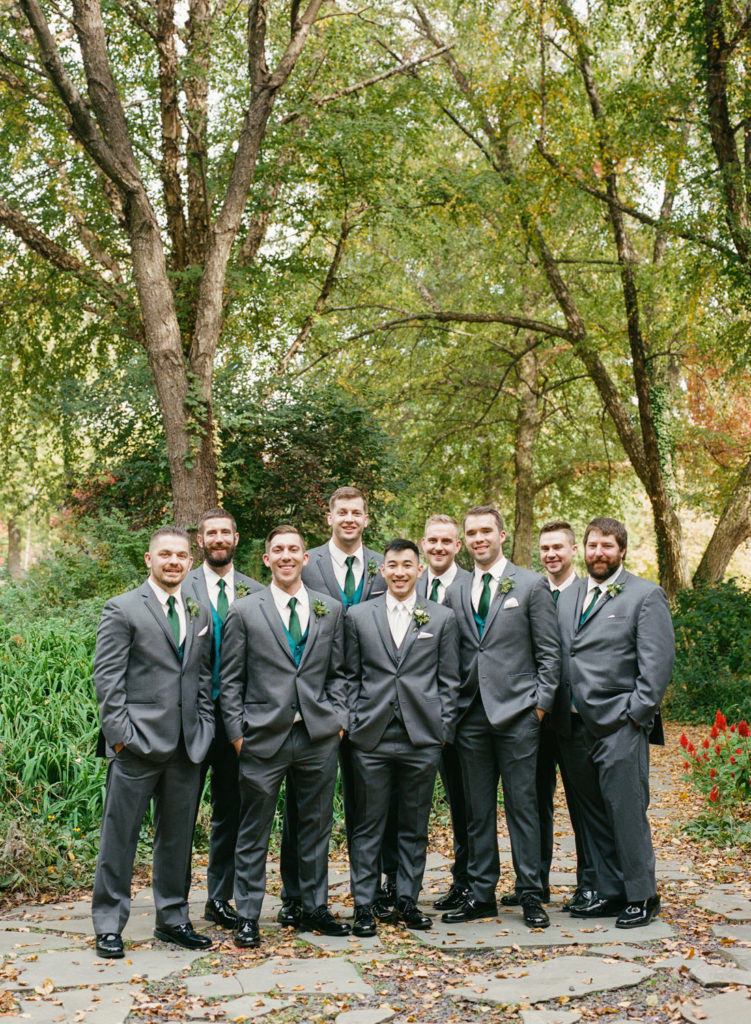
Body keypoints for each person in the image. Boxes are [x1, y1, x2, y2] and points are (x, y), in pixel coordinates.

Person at [220, 525, 350, 948]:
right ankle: (249, 915)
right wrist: (238, 735)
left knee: (315, 827)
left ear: (305, 558)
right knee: (253, 829)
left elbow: (342, 673)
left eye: (294, 549)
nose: (287, 556)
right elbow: (231, 679)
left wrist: (338, 719)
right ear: (266, 558)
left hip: (317, 736)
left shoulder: (330, 608)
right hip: (262, 737)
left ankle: (314, 907)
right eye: (278, 550)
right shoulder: (244, 611)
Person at [91, 527, 215, 959]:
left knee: (177, 840)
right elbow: (107, 682)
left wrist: (204, 726)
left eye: (181, 555)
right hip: (136, 747)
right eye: (165, 555)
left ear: (189, 561)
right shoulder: (123, 608)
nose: (174, 562)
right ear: (149, 559)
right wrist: (122, 739)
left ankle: (174, 919)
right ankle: (108, 924)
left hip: (186, 747)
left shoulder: (199, 612)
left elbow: (201, 676)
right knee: (119, 838)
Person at [278, 486, 395, 927]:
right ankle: (298, 895)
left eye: (357, 512)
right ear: (328, 517)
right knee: (303, 808)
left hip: (376, 700)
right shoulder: (305, 562)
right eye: (341, 512)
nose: (349, 518)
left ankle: (378, 891)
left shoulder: (384, 568)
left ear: (366, 518)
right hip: (314, 703)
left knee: (373, 805)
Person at [441, 506, 560, 929]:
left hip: (518, 714)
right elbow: (454, 654)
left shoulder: (529, 584)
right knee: (476, 811)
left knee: (522, 806)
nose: (478, 538)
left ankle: (530, 892)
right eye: (471, 532)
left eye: (485, 531)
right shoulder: (456, 589)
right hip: (470, 715)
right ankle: (481, 895)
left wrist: (539, 706)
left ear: (502, 535)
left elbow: (549, 651)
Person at [555, 516, 674, 928]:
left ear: (622, 550)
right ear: (582, 550)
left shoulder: (644, 595)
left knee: (625, 811)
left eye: (607, 546)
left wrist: (634, 715)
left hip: (620, 725)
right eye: (592, 546)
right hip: (572, 726)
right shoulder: (570, 596)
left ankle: (643, 895)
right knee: (591, 816)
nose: (598, 553)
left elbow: (656, 666)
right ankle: (609, 891)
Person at [344, 539, 461, 936]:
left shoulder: (441, 618)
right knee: (368, 824)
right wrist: (353, 721)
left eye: (407, 565)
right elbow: (348, 675)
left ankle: (407, 900)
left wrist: (441, 731)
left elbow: (450, 680)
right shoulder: (358, 616)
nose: (398, 572)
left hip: (421, 737)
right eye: (391, 564)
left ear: (418, 569)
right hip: (371, 736)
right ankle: (364, 904)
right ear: (382, 570)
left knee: (413, 823)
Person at [500, 520, 592, 911]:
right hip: (534, 716)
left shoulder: (589, 592)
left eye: (558, 547)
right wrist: (536, 706)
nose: (551, 554)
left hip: (573, 714)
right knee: (533, 800)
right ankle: (533, 883)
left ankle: (590, 883)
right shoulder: (528, 589)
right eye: (545, 548)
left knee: (582, 801)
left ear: (573, 551)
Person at [184, 508, 263, 931]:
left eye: (224, 532)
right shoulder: (182, 585)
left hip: (237, 719)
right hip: (191, 719)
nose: (218, 538)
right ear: (201, 540)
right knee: (181, 812)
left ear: (236, 538)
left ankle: (220, 897)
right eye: (210, 532)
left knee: (230, 811)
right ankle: (174, 904)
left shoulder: (256, 592)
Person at [416, 514, 472, 912]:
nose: (438, 547)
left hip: (463, 712)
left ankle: (467, 880)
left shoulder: (474, 585)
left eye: (446, 541)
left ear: (458, 546)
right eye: (432, 540)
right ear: (423, 544)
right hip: (414, 716)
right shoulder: (408, 584)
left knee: (465, 802)